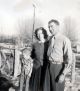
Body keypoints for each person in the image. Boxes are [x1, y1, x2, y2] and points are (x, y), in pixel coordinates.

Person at [47, 19, 72, 91]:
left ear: (58, 27)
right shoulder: (51, 39)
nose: (50, 29)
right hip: (49, 66)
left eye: (52, 26)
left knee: (57, 89)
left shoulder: (65, 40)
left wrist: (63, 74)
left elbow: (69, 60)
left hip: (58, 68)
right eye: (48, 27)